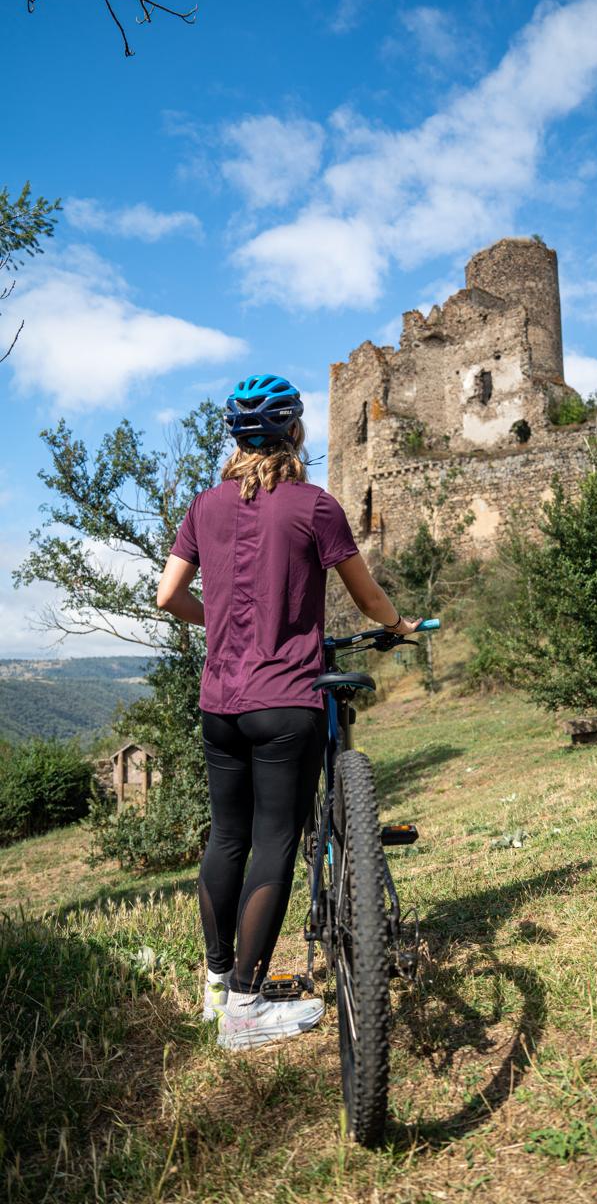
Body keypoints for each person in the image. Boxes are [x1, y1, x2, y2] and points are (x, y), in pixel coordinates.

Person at [156, 373, 420, 1051]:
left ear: (235, 438)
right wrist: (400, 626)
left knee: (227, 837)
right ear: (294, 433)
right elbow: (367, 600)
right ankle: (246, 1010)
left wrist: (221, 624)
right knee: (275, 840)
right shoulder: (314, 506)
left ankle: (219, 990)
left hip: (220, 704)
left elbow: (167, 597)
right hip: (285, 699)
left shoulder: (203, 506)